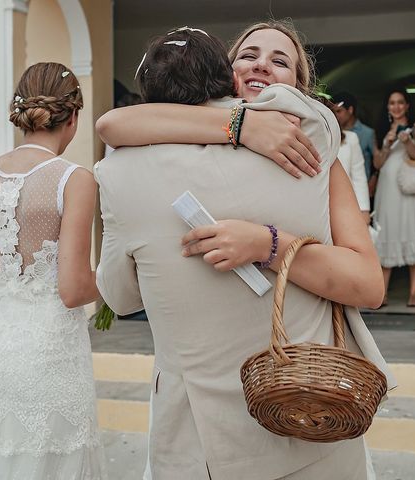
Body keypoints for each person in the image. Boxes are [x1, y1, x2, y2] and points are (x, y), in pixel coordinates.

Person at [96, 25, 394, 480]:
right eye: (248, 55)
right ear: (224, 74)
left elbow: (369, 285)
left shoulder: (313, 154)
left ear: (298, 86)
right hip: (205, 428)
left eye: (279, 61)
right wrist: (241, 124)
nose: (261, 64)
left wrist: (268, 244)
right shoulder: (160, 141)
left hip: (300, 400)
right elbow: (113, 124)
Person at [0, 62, 106, 479]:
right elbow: (74, 290)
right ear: (73, 117)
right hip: (52, 353)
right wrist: (120, 280)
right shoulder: (74, 179)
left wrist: (5, 324)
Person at [373, 88, 415, 307]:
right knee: (388, 232)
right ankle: (382, 293)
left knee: (413, 230)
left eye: (401, 102)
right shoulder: (382, 128)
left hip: (410, 189)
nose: (396, 106)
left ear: (407, 105)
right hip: (388, 190)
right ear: (387, 107)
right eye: (392, 103)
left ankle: (414, 292)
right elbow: (378, 164)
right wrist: (386, 144)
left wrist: (407, 141)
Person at [331, 92, 375, 181]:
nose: (336, 115)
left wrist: (374, 178)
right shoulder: (332, 131)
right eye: (334, 112)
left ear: (350, 110)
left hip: (361, 185)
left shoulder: (367, 133)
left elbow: (376, 163)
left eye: (339, 111)